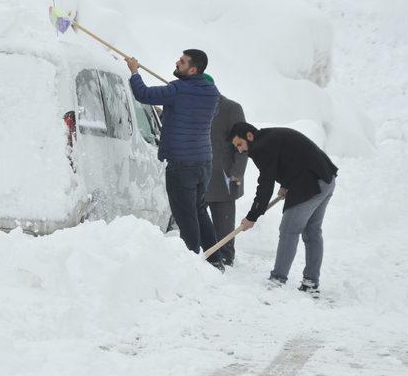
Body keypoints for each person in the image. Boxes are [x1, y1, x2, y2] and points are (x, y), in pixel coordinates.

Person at [124, 50, 224, 270]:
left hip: (182, 163)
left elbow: (144, 95)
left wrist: (134, 71)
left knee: (184, 214)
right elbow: (194, 113)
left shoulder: (178, 90)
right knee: (198, 209)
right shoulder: (212, 93)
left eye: (182, 61)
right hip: (203, 161)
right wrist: (170, 109)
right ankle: (215, 259)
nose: (177, 62)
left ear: (193, 70)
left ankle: (190, 264)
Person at [228, 122, 338, 294]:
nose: (240, 150)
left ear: (249, 136)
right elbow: (292, 157)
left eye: (240, 144)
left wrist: (252, 216)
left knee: (288, 230)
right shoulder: (269, 136)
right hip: (326, 178)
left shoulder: (261, 147)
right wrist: (286, 184)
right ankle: (310, 281)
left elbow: (265, 185)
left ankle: (277, 279)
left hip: (311, 185)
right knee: (312, 231)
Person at [202, 74, 248, 267]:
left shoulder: (232, 109)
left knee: (224, 225)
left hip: (224, 179)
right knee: (195, 223)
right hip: (198, 176)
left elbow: (242, 146)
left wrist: (237, 173)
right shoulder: (195, 107)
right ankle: (199, 255)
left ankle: (226, 259)